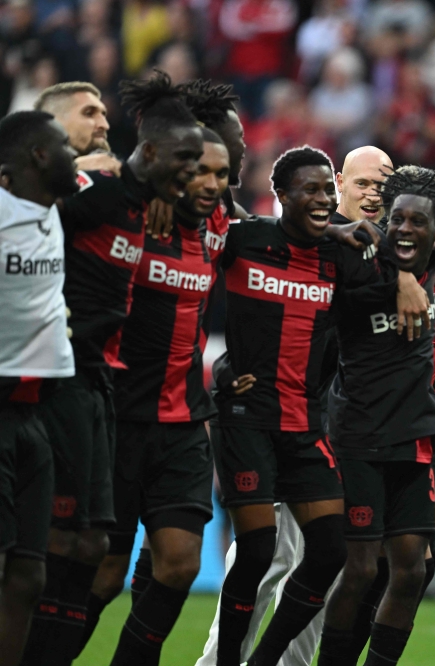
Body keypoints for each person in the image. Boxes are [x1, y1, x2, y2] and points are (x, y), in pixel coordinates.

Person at [19, 70, 204, 666]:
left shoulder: (128, 198)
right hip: (44, 385)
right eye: (87, 113)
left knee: (90, 546)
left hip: (96, 385)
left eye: (104, 113)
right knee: (38, 551)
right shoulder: (60, 194)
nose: (101, 123)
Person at [193, 144, 399, 666]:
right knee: (262, 554)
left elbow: (384, 289)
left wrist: (411, 280)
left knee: (330, 553)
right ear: (279, 195)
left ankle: (270, 662)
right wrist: (219, 367)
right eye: (317, 188)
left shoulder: (347, 256)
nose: (325, 198)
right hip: (249, 419)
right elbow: (197, 261)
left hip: (313, 425)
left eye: (326, 189)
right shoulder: (246, 240)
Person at [74, 133, 232, 663]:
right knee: (104, 573)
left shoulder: (219, 227)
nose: (212, 184)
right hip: (118, 417)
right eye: (199, 173)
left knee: (181, 561)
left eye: (222, 173)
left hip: (185, 419)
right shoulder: (130, 218)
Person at [316, 167, 435, 666]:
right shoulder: (359, 262)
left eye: (416, 221)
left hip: (414, 436)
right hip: (355, 437)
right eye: (395, 219)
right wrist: (398, 276)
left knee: (412, 571)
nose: (403, 228)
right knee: (357, 571)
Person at [0, 110, 79, 666]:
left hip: (38, 416)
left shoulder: (60, 209)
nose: (75, 155)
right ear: (37, 157)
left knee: (29, 574)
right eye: (64, 147)